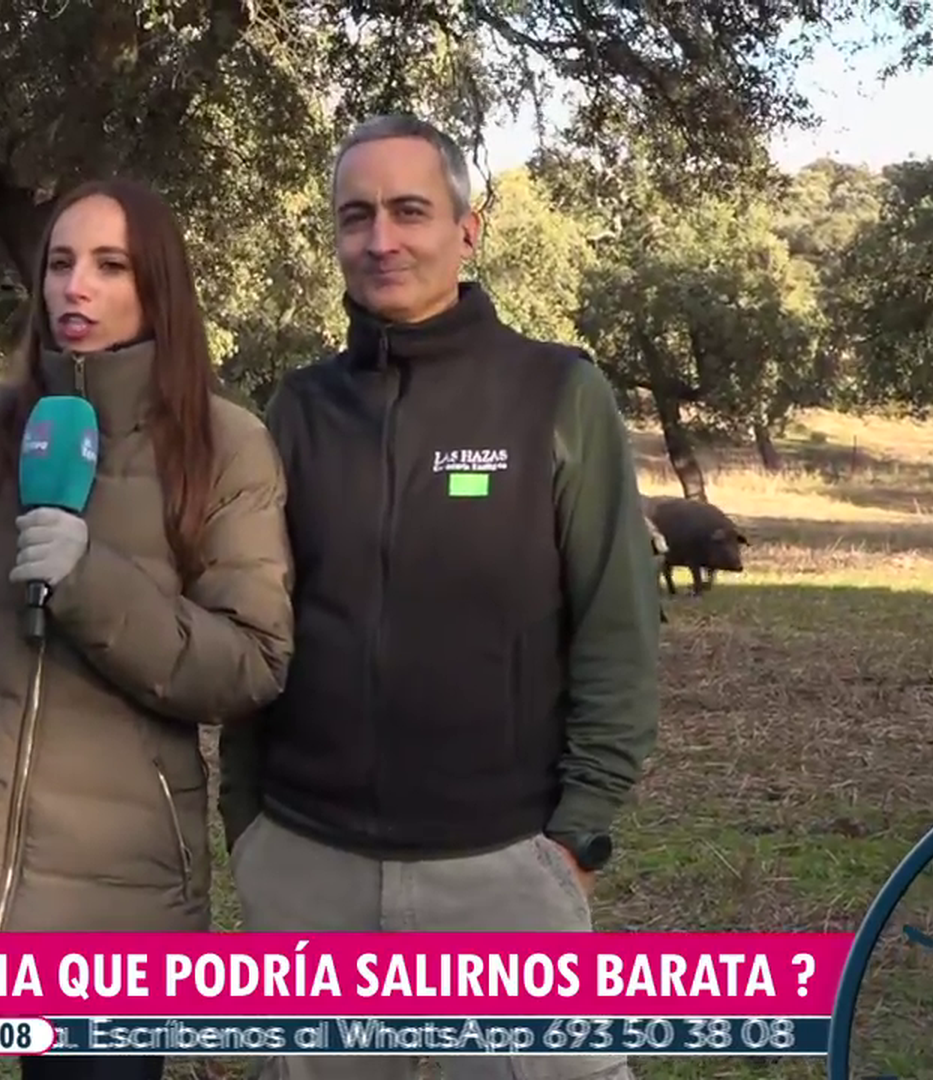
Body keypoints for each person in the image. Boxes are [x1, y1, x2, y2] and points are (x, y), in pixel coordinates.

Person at [0, 179, 296, 1080]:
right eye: (62, 263)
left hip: (116, 897)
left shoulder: (226, 448)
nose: (77, 287)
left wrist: (89, 580)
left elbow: (249, 663)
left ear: (159, 288)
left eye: (110, 266)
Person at [219, 114, 661, 1080]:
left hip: (503, 869)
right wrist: (247, 822)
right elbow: (264, 622)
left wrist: (577, 834)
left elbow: (617, 624)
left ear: (467, 227)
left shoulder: (556, 393)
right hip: (306, 865)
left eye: (410, 210)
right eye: (356, 216)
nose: (382, 240)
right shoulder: (298, 408)